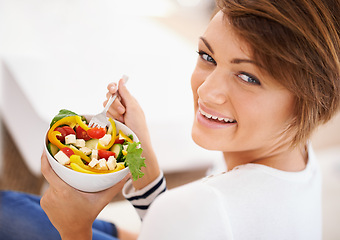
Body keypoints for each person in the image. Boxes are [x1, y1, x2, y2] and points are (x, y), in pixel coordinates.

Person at [1, 0, 339, 239]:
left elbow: (189, 221)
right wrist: (141, 156)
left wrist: (75, 230)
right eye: (208, 56)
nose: (207, 92)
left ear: (310, 99)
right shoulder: (301, 163)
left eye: (248, 77)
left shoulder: (205, 207)